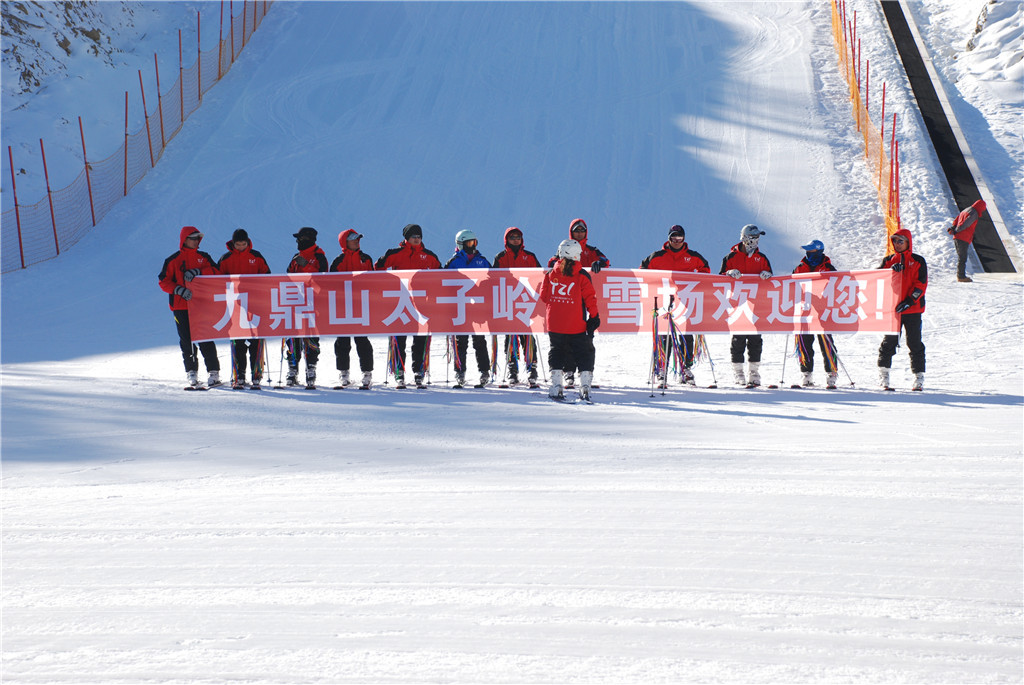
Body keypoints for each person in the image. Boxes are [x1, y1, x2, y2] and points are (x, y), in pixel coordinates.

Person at [640, 224, 710, 387]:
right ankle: (661, 370)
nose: (677, 241)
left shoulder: (693, 256)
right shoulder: (657, 256)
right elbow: (642, 272)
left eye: (680, 238)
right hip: (664, 303)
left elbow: (706, 271)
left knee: (686, 335)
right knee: (664, 336)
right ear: (668, 238)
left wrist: (696, 283)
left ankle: (685, 369)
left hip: (685, 303)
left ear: (684, 239)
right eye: (674, 237)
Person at [545, 218, 610, 387]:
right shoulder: (572, 263)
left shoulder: (590, 250)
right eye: (576, 231)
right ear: (571, 233)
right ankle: (574, 376)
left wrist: (599, 263)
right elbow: (551, 261)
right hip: (576, 309)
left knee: (560, 347)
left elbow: (605, 260)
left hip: (561, 315)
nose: (579, 233)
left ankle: (561, 381)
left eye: (582, 231)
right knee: (581, 346)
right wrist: (595, 316)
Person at [375, 223, 442, 388]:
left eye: (419, 237)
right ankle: (399, 372)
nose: (417, 239)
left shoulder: (429, 256)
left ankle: (419, 372)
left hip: (421, 305)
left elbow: (440, 274)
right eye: (414, 237)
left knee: (420, 340)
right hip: (400, 304)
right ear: (406, 238)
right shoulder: (394, 254)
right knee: (399, 339)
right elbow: (378, 268)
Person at [158, 226, 221, 388]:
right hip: (181, 306)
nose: (196, 241)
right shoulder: (172, 260)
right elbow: (163, 282)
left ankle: (213, 372)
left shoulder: (203, 257)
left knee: (206, 338)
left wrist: (198, 271)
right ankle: (191, 372)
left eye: (197, 238)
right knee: (187, 340)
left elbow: (216, 272)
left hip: (202, 305)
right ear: (184, 239)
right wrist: (179, 290)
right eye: (193, 238)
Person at [539, 239, 600, 401]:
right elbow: (590, 298)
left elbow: (544, 297)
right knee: (584, 352)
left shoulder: (551, 274)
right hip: (576, 324)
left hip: (554, 323)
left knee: (556, 352)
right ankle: (585, 387)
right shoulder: (581, 275)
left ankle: (556, 386)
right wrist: (594, 317)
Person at [216, 228, 271, 389]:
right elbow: (216, 280)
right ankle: (239, 375)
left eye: (243, 244)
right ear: (233, 244)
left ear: (248, 242)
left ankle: (256, 375)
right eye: (238, 244)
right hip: (235, 306)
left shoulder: (256, 256)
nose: (241, 247)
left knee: (255, 341)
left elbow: (267, 275)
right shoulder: (226, 258)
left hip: (255, 305)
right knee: (238, 342)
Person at [720, 224, 773, 387]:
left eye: (757, 238)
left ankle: (754, 372)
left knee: (756, 339)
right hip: (737, 305)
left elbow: (772, 282)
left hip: (756, 305)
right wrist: (727, 274)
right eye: (752, 237)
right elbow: (718, 280)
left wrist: (768, 276)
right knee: (738, 339)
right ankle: (738, 372)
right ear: (744, 238)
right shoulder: (730, 257)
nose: (755, 241)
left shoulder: (762, 258)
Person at [878, 228, 928, 391]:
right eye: (895, 241)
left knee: (914, 342)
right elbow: (876, 279)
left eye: (901, 241)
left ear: (908, 242)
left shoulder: (918, 260)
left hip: (912, 310)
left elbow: (921, 284)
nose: (897, 244)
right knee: (889, 342)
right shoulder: (888, 261)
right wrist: (889, 272)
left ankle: (919, 376)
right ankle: (884, 375)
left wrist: (909, 301)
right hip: (893, 310)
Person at [492, 226, 541, 387]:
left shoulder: (530, 256)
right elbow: (493, 279)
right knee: (510, 337)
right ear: (506, 239)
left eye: (518, 237)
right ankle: (512, 369)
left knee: (528, 336)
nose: (515, 240)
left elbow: (540, 277)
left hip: (526, 303)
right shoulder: (500, 257)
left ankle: (531, 368)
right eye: (512, 237)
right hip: (508, 303)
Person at [445, 230, 491, 387]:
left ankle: (484, 371)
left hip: (477, 308)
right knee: (460, 342)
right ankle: (460, 372)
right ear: (461, 244)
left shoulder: (482, 261)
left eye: (475, 242)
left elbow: (493, 280)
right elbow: (443, 284)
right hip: (459, 309)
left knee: (479, 341)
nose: (473, 246)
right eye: (470, 243)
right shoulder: (453, 262)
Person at [330, 229, 375, 389]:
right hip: (342, 307)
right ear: (344, 242)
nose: (357, 241)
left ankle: (367, 373)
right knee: (342, 341)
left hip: (361, 307)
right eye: (353, 239)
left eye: (358, 239)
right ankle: (344, 373)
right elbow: (331, 284)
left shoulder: (366, 258)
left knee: (362, 341)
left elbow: (374, 280)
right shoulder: (338, 261)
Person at [285, 226, 328, 387]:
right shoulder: (297, 256)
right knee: (293, 335)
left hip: (313, 303)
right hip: (295, 302)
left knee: (311, 337)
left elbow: (323, 278)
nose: (297, 242)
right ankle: (293, 368)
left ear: (308, 239)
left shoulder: (319, 256)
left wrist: (307, 267)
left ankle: (311, 368)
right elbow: (288, 276)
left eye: (300, 239)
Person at [792, 239, 839, 389]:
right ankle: (806, 374)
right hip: (805, 311)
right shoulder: (800, 267)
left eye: (812, 251)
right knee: (804, 343)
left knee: (826, 343)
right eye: (807, 251)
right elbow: (791, 284)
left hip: (823, 312)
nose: (808, 254)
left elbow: (837, 286)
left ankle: (831, 373)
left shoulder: (828, 268)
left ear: (819, 252)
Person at [947, 199, 986, 283]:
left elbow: (957, 219)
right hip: (963, 237)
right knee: (962, 257)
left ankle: (961, 275)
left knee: (961, 257)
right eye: (983, 209)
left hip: (958, 236)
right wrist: (957, 230)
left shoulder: (967, 209)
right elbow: (966, 223)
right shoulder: (974, 213)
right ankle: (961, 276)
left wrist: (953, 228)